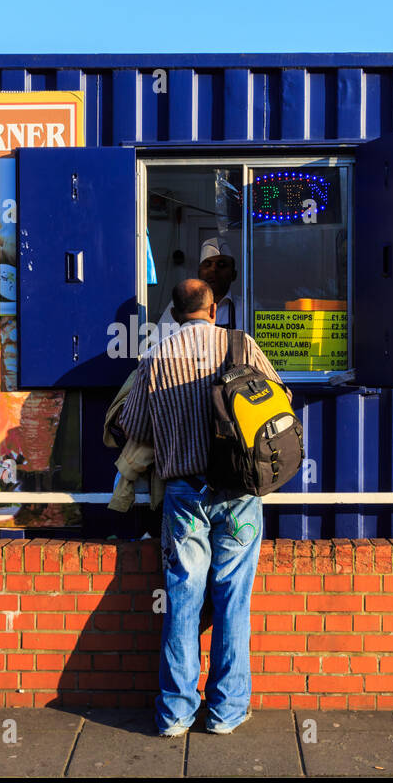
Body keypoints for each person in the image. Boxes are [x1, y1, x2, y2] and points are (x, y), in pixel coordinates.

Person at [117, 278, 290, 736]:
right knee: (234, 601)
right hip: (239, 494)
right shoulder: (241, 345)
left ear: (174, 314)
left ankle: (175, 714)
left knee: (183, 600)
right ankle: (226, 713)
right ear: (213, 309)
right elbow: (279, 404)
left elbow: (136, 427)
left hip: (184, 494)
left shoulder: (155, 357)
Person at [156, 237, 245, 335]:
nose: (213, 270)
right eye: (208, 264)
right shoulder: (180, 304)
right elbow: (160, 345)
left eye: (222, 265)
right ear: (199, 273)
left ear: (234, 275)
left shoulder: (246, 308)